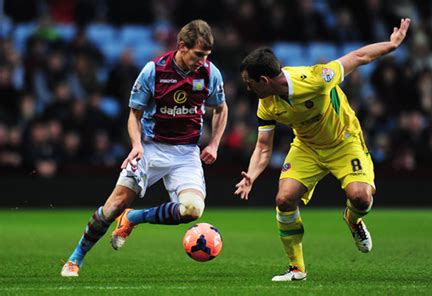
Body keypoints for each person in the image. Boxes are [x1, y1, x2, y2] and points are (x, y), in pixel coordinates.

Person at [235, 18, 411, 281]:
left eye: (250, 83)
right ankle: (297, 268)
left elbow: (358, 56)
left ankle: (353, 220)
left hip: (344, 141)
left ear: (264, 80)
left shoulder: (315, 79)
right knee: (284, 199)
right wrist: (251, 176)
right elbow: (263, 147)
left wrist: (391, 45)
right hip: (306, 147)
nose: (247, 88)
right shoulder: (267, 104)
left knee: (361, 198)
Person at [61, 19, 228, 277]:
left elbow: (221, 108)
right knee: (113, 205)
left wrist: (215, 143)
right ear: (182, 46)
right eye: (198, 55)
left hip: (185, 153)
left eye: (206, 56)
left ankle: (134, 218)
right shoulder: (154, 71)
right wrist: (136, 144)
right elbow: (134, 114)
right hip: (150, 148)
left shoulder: (209, 73)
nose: (202, 61)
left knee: (193, 209)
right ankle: (76, 258)